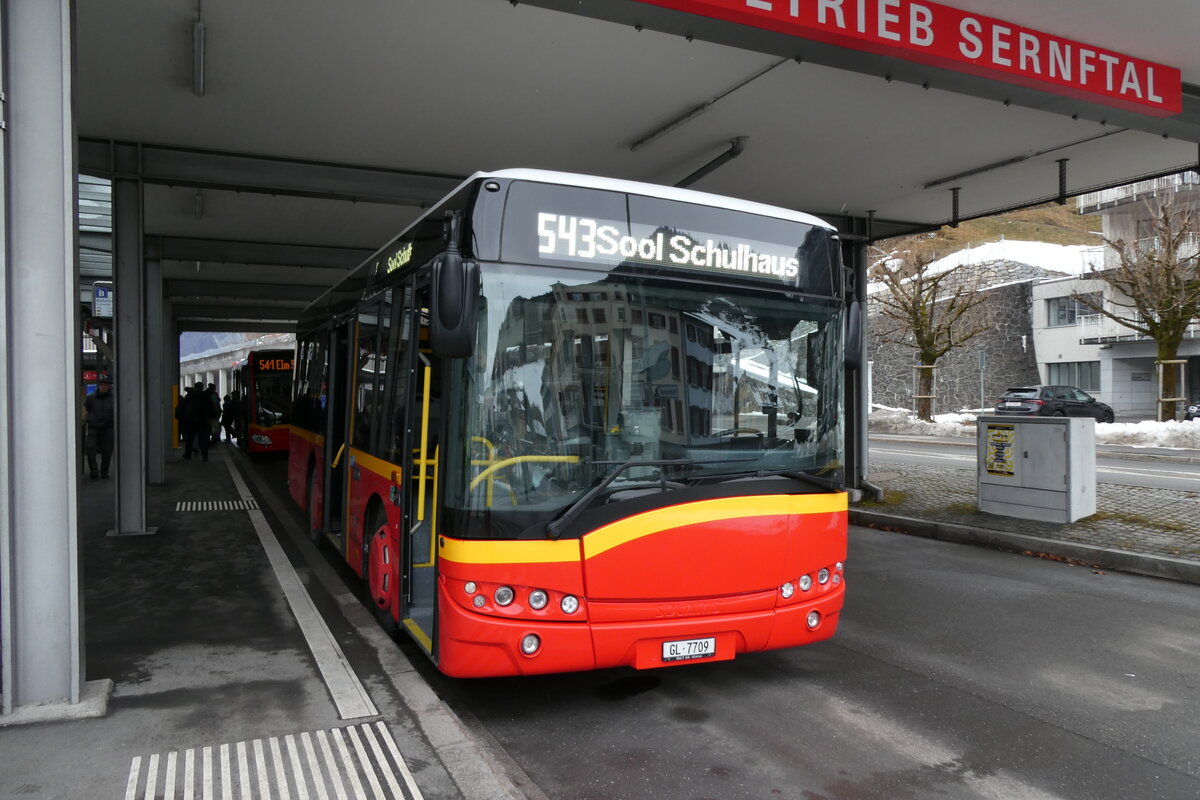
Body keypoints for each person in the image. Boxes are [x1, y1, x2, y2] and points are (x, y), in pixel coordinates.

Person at [83, 373, 116, 479]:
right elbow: (86, 409)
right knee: (90, 449)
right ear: (98, 386)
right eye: (101, 385)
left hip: (108, 428)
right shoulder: (91, 398)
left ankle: (104, 472)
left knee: (107, 451)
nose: (103, 387)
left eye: (106, 385)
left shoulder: (114, 399)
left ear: (109, 387)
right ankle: (94, 472)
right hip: (93, 428)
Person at [181, 381, 215, 461]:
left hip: (191, 421)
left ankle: (188, 454)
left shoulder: (189, 396)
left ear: (195, 387)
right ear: (202, 387)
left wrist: (185, 419)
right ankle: (205, 456)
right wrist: (211, 418)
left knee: (190, 439)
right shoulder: (206, 396)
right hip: (203, 421)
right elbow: (211, 408)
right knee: (203, 439)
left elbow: (183, 407)